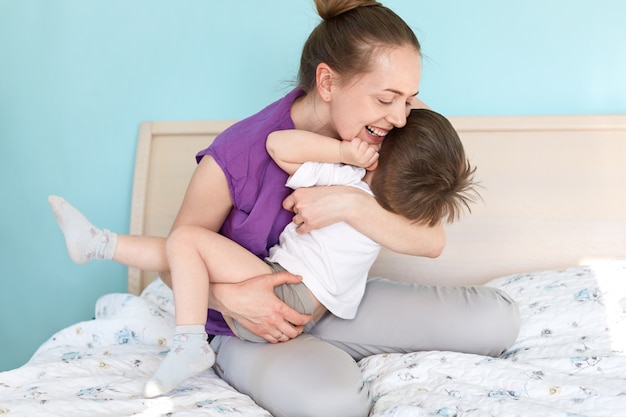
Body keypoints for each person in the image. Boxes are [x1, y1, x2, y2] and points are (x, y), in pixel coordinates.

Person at [48, 1, 520, 416]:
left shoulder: (390, 128)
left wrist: (352, 205)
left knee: (497, 322)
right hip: (246, 319)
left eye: (410, 98)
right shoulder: (238, 154)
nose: (401, 115)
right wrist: (230, 299)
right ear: (327, 82)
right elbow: (179, 259)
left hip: (338, 298)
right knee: (332, 404)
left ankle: (323, 346)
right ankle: (285, 354)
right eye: (387, 99)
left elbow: (431, 239)